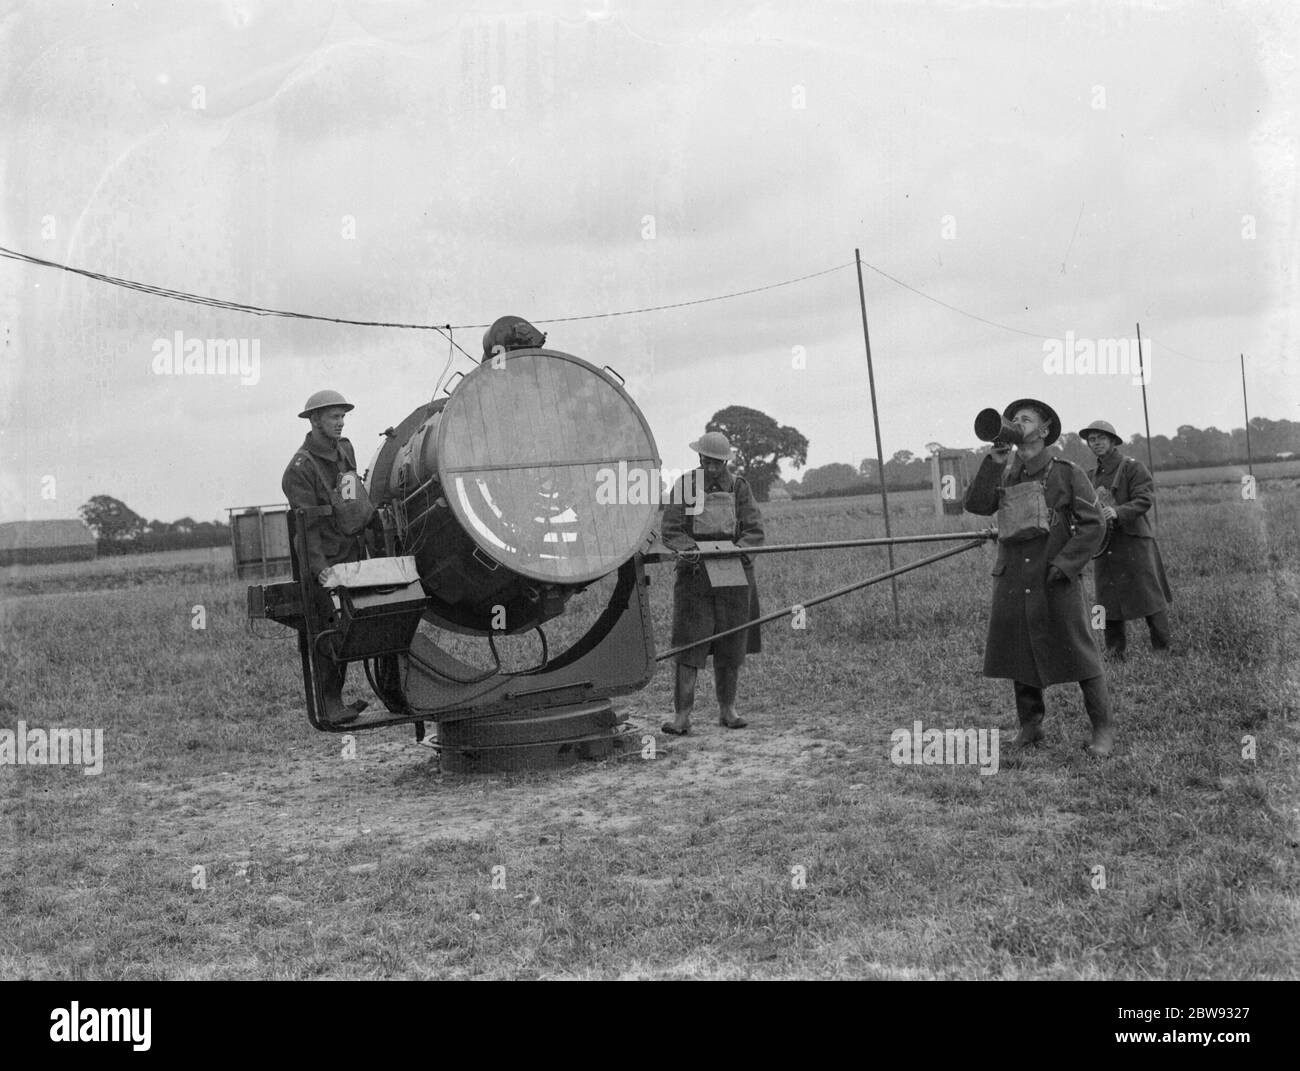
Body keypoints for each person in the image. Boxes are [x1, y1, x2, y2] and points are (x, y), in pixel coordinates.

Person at [963, 399, 1116, 756]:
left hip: (1055, 574)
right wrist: (994, 462)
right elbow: (976, 504)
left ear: (1044, 430)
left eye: (1025, 418)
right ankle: (1030, 728)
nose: (1016, 422)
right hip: (1014, 574)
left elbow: (1095, 524)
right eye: (1013, 418)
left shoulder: (1066, 472)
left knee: (1081, 651)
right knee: (1020, 650)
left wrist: (1066, 565)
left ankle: (1103, 731)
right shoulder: (1006, 469)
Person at [659, 431, 764, 734]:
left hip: (733, 572)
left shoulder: (739, 487)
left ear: (726, 461)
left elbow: (755, 529)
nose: (712, 467)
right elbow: (672, 529)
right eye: (707, 461)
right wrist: (689, 550)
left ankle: (728, 710)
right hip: (695, 575)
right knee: (689, 644)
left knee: (732, 640)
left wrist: (741, 550)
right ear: (699, 458)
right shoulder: (686, 486)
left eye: (717, 463)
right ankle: (682, 716)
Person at [282, 390, 375, 725]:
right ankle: (330, 703)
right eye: (334, 417)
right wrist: (322, 571)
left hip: (351, 552)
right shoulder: (299, 469)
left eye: (342, 417)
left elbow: (352, 499)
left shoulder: (345, 449)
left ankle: (338, 700)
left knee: (353, 627)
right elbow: (306, 530)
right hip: (324, 562)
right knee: (328, 631)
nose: (340, 422)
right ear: (314, 420)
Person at [1079, 420, 1172, 659]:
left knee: (1149, 595)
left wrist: (1118, 511)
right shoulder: (1090, 476)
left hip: (1134, 542)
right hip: (1105, 545)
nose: (1096, 443)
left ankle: (1162, 648)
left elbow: (1144, 499)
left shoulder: (1132, 467)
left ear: (1112, 440)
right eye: (1092, 439)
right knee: (1106, 600)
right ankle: (1114, 651)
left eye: (1101, 438)